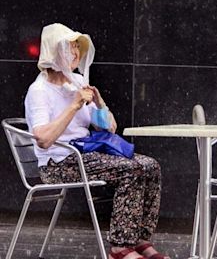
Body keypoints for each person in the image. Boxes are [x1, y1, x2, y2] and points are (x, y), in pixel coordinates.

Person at [24, 23, 169, 259]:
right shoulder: (39, 90)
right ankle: (121, 247)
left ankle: (141, 239)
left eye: (76, 48)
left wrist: (99, 104)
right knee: (130, 170)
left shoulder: (78, 82)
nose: (75, 53)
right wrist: (73, 105)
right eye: (69, 47)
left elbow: (110, 127)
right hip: (59, 163)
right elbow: (43, 139)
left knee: (150, 166)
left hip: (86, 154)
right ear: (54, 52)